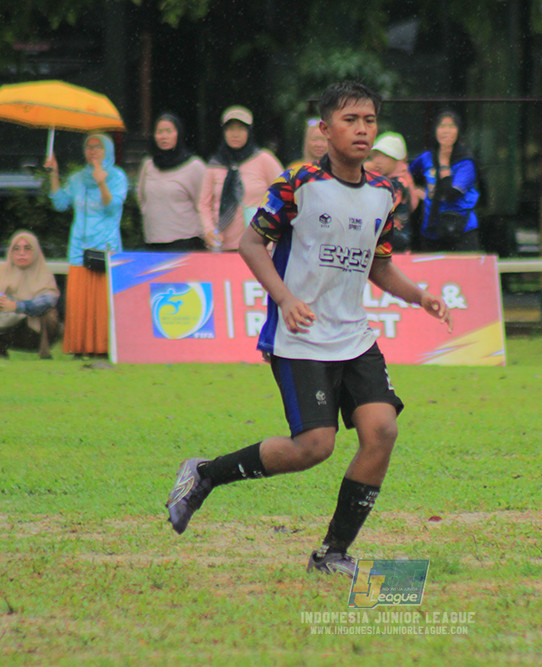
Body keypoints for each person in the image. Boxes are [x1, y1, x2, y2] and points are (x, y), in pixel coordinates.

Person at [166, 81, 453, 576]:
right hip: (299, 337)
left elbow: (378, 265)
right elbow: (252, 245)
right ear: (325, 129)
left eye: (369, 120)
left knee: (382, 431)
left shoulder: (385, 193)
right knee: (313, 448)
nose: (362, 129)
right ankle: (204, 474)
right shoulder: (298, 185)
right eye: (350, 120)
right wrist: (285, 298)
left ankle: (332, 553)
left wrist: (419, 295)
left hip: (355, 337)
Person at [44, 133, 128, 357]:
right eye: (89, 147)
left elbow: (113, 207)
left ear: (108, 151)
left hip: (105, 247)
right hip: (78, 249)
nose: (92, 151)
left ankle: (103, 347)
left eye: (98, 147)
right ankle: (80, 347)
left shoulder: (118, 176)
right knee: (80, 303)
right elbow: (60, 203)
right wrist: (54, 174)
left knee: (102, 303)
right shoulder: (77, 178)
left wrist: (102, 182)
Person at [198, 105, 283, 251]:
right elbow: (204, 204)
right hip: (222, 246)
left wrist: (270, 226)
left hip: (259, 246)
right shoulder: (215, 164)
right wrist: (208, 229)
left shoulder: (264, 159)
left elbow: (283, 195)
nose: (235, 134)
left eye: (241, 129)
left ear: (249, 132)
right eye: (230, 129)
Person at [0, 230, 61, 359]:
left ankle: (44, 353)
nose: (21, 253)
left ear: (35, 252)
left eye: (27, 249)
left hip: (32, 330)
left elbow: (49, 300)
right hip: (3, 325)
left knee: (50, 314)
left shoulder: (44, 274)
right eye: (16, 249)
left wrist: (18, 306)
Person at [408, 111, 481, 252]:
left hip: (461, 231)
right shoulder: (427, 157)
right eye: (441, 126)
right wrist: (416, 191)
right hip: (431, 231)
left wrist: (444, 164)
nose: (446, 130)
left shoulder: (465, 163)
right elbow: (407, 174)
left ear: (459, 131)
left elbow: (451, 194)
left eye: (451, 126)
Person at [137, 113, 208, 250]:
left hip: (185, 242)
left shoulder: (194, 166)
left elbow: (203, 203)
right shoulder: (148, 164)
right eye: (159, 132)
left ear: (178, 134)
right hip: (153, 241)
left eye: (169, 131)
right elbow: (142, 199)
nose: (164, 136)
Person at [365, 131, 419, 252]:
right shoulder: (393, 179)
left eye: (385, 156)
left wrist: (362, 174)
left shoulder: (397, 184)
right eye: (376, 155)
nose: (378, 161)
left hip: (395, 245)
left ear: (397, 160)